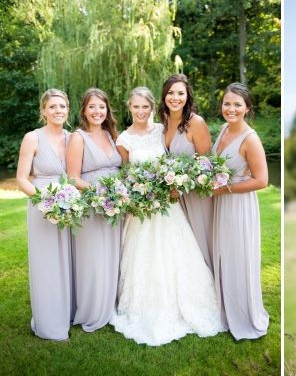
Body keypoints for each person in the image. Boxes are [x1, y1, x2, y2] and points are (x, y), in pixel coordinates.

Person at [109, 87, 225, 346]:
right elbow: (126, 174)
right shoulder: (124, 139)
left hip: (169, 206)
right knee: (144, 257)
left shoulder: (162, 131)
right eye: (135, 107)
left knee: (177, 254)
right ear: (129, 107)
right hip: (142, 210)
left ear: (152, 107)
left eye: (145, 107)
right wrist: (136, 194)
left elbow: (177, 159)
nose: (140, 112)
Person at [211, 83, 270, 340]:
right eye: (227, 103)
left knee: (238, 257)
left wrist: (223, 190)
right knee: (223, 254)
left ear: (247, 107)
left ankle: (243, 315)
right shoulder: (224, 129)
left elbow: (261, 181)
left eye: (237, 104)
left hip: (238, 204)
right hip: (220, 203)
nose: (231, 109)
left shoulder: (251, 139)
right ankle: (223, 308)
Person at [16, 89, 75, 341]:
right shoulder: (33, 137)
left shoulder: (73, 138)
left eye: (62, 106)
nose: (58, 111)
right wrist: (46, 202)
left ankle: (68, 312)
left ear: (68, 110)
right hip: (43, 205)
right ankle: (48, 321)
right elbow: (21, 179)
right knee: (46, 262)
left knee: (69, 259)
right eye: (52, 107)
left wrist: (69, 202)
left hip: (70, 205)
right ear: (43, 111)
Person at [66, 88, 122, 333]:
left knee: (113, 255)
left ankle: (111, 304)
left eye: (102, 106)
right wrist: (101, 193)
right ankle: (92, 309)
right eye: (92, 106)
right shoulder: (78, 137)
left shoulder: (112, 135)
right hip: (92, 204)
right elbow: (72, 178)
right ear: (84, 110)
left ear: (107, 109)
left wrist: (119, 193)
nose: (97, 111)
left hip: (115, 205)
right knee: (94, 258)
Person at [159, 74, 214, 271]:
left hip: (195, 195)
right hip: (173, 200)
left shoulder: (196, 122)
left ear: (187, 96)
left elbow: (206, 165)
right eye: (171, 93)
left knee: (201, 245)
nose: (175, 98)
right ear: (164, 96)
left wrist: (183, 183)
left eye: (180, 93)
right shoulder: (163, 122)